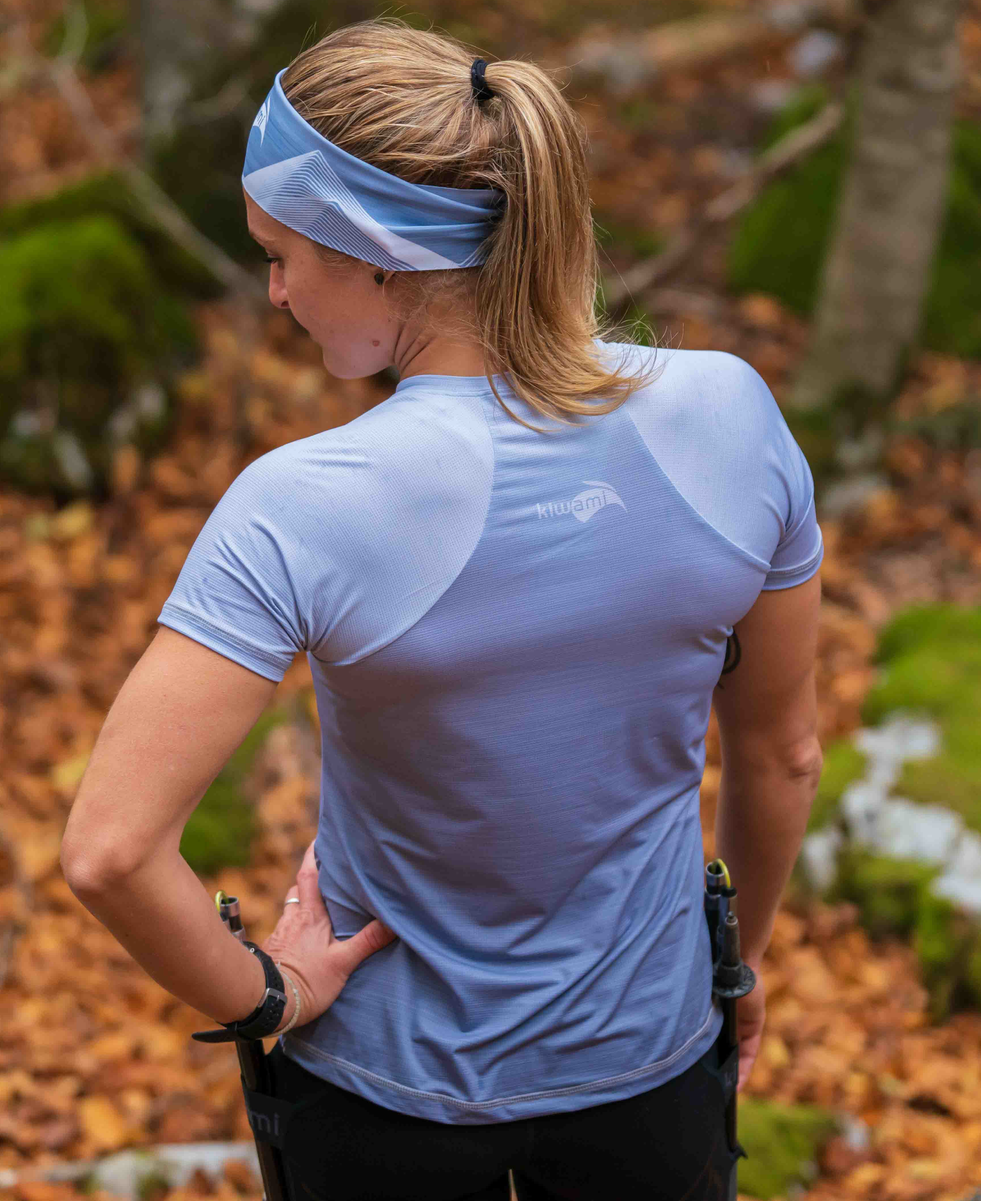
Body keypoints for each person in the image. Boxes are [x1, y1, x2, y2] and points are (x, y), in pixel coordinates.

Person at [60, 17, 825, 1201]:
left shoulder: (304, 502)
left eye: (282, 256)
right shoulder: (731, 415)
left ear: (378, 255)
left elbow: (110, 851)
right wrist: (742, 964)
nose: (275, 292)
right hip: (655, 1073)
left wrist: (266, 993)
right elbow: (782, 754)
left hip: (381, 1095)